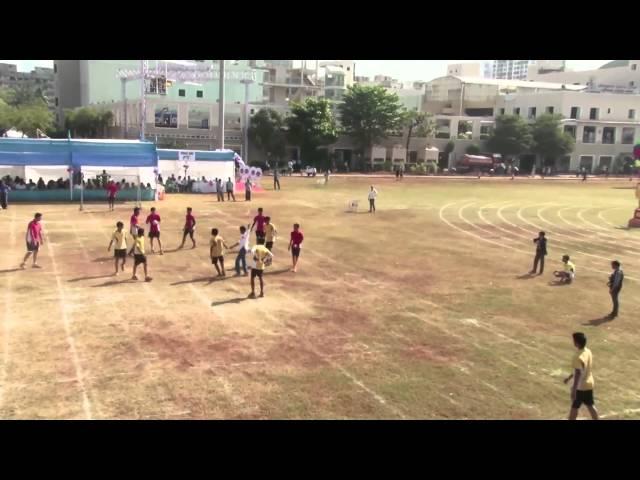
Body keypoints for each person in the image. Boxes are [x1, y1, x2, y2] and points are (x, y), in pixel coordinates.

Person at [563, 332, 598, 420]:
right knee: (590, 405)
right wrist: (569, 377)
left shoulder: (577, 356)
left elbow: (578, 373)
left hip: (581, 387)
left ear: (577, 343)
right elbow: (580, 369)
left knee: (575, 407)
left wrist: (574, 390)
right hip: (589, 383)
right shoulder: (588, 351)